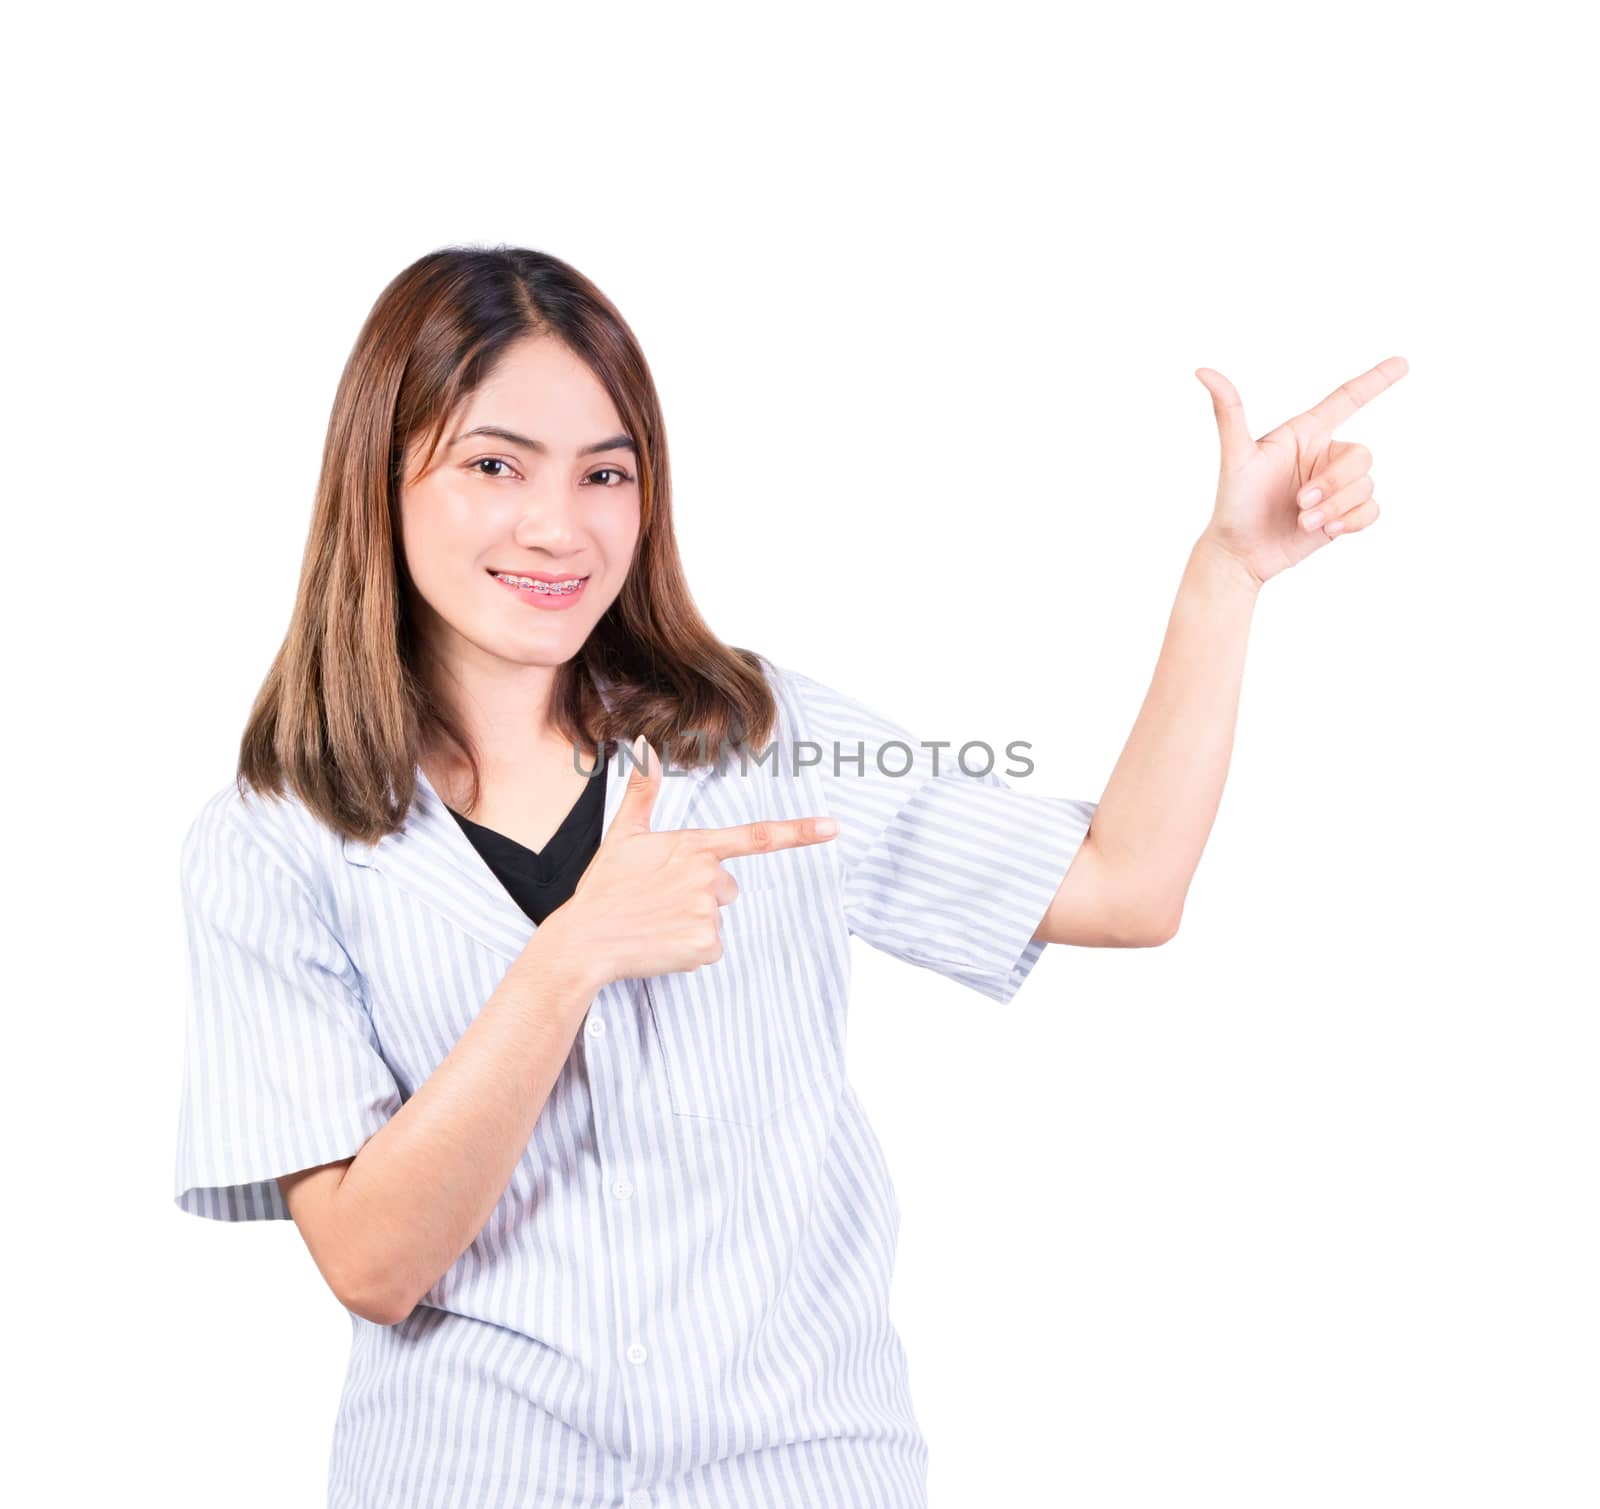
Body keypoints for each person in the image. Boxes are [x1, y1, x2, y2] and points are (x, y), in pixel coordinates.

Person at [172, 243, 1406, 1509]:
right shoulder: (274, 842)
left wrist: (1227, 573)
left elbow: (1123, 884)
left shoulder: (764, 738)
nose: (559, 526)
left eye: (607, 473)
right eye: (494, 465)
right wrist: (568, 957)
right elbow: (372, 1261)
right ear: (379, 484)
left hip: (800, 1475)